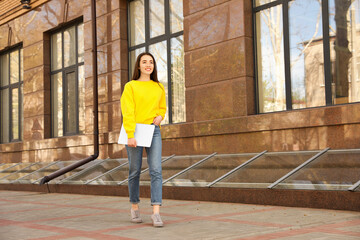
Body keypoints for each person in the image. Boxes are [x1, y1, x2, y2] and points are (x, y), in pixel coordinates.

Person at [120, 52, 166, 227]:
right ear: (138, 66)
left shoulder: (158, 87)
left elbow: (162, 107)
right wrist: (130, 134)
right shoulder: (130, 86)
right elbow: (128, 110)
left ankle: (156, 212)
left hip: (153, 131)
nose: (148, 64)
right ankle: (134, 207)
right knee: (134, 170)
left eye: (151, 62)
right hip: (135, 131)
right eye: (144, 62)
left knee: (156, 170)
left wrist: (161, 117)